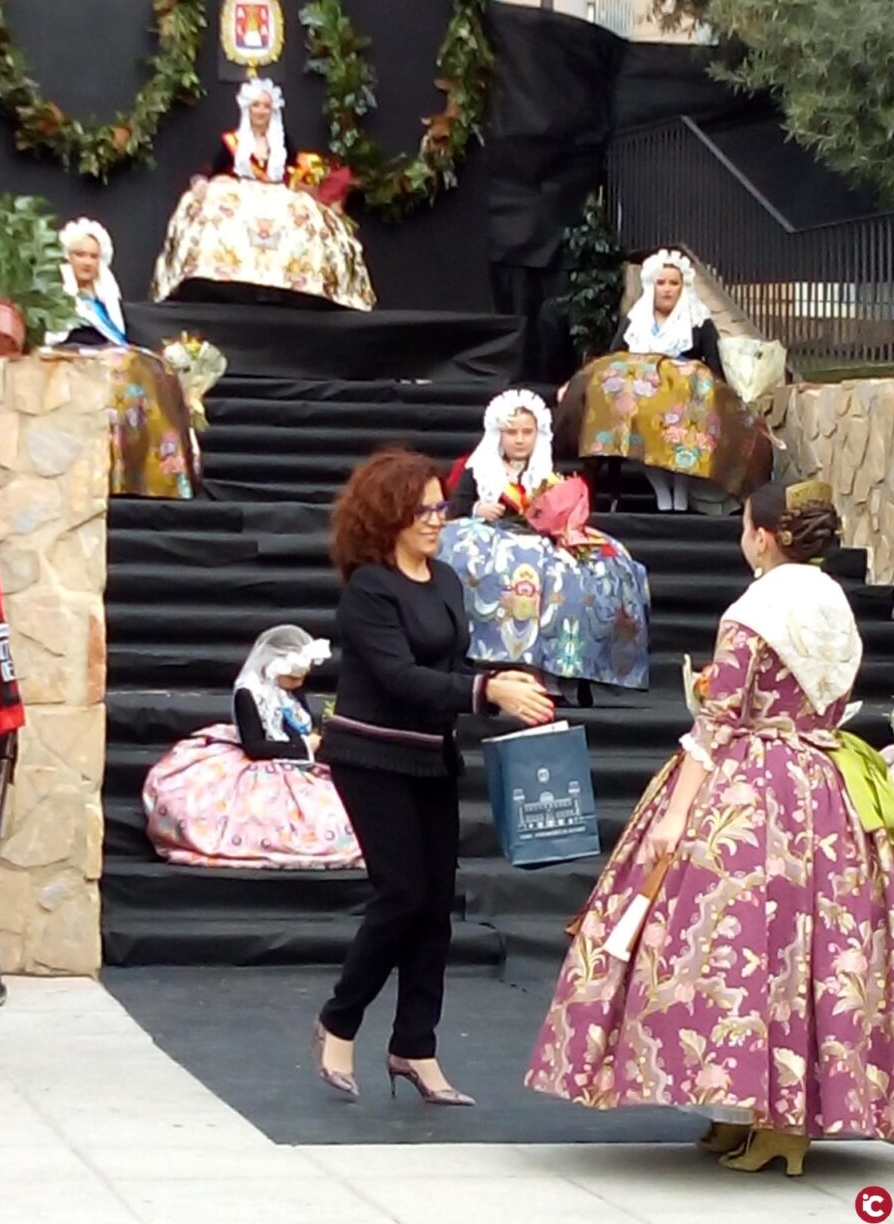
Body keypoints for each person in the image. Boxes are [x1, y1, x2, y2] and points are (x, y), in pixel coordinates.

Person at [526, 480, 894, 1174]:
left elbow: (720, 720)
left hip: (749, 788)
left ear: (761, 535)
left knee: (731, 943)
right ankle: (768, 1113)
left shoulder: (755, 609)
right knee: (806, 946)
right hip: (821, 785)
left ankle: (765, 1114)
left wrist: (673, 812)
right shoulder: (833, 603)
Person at [314, 449, 555, 1103]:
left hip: (429, 757)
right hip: (371, 757)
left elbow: (452, 660)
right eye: (421, 509)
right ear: (388, 514)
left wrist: (510, 678)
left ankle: (415, 1047)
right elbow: (400, 677)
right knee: (401, 896)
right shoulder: (368, 588)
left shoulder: (446, 579)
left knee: (435, 909)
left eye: (439, 506)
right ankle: (338, 1021)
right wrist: (487, 694)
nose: (436, 518)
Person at [439, 390, 650, 697]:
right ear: (498, 433)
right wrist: (477, 509)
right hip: (489, 539)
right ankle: (493, 662)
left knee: (581, 572)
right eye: (512, 432)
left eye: (527, 432)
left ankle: (551, 666)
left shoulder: (545, 472)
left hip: (536, 540)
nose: (520, 439)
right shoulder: (479, 469)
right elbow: (454, 508)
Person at [554, 249, 771, 513]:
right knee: (638, 415)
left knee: (676, 418)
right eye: (661, 282)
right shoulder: (636, 319)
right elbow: (613, 360)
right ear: (651, 284)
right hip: (641, 401)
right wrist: (578, 381)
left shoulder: (698, 320)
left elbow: (714, 370)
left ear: (683, 286)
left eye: (674, 283)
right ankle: (661, 492)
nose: (667, 289)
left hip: (682, 402)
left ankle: (679, 493)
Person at [142, 626, 362, 870]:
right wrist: (301, 746)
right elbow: (255, 746)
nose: (298, 684)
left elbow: (299, 722)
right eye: (293, 678)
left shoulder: (290, 689)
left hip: (297, 756)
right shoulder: (249, 692)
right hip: (261, 760)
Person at [152, 77, 375, 312]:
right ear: (247, 108)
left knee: (306, 218)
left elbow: (296, 169)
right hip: (242, 191)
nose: (261, 111)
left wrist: (308, 182)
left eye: (266, 106)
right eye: (256, 105)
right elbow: (214, 169)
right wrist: (202, 182)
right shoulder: (234, 142)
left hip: (278, 195)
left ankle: (289, 286)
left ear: (273, 110)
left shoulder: (280, 142)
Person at [47, 218, 196, 500]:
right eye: (80, 255)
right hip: (73, 354)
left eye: (93, 256)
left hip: (109, 352)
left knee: (157, 372)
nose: (87, 262)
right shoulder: (56, 292)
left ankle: (158, 475)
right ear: (67, 257)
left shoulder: (106, 295)